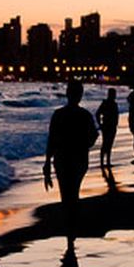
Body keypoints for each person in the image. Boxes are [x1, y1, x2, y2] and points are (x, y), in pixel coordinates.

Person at [44, 80, 98, 234]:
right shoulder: (85, 115)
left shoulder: (58, 114)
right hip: (79, 159)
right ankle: (72, 223)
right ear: (80, 96)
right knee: (74, 191)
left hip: (61, 159)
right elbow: (93, 136)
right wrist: (83, 145)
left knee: (65, 192)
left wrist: (47, 162)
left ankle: (70, 225)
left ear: (67, 94)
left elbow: (51, 139)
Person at [95, 88, 119, 168]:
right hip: (107, 126)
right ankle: (103, 162)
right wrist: (100, 124)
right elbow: (97, 114)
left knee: (109, 144)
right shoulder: (105, 103)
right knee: (105, 143)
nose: (114, 96)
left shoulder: (114, 104)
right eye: (113, 94)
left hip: (112, 126)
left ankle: (107, 161)